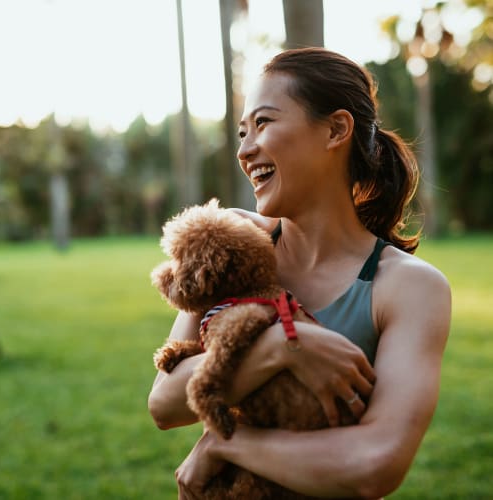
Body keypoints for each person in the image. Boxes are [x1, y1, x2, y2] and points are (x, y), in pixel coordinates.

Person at [148, 47, 451, 499]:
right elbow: (165, 403)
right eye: (242, 131)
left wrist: (226, 444)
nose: (244, 149)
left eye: (264, 123)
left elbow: (376, 463)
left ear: (335, 129)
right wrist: (282, 345)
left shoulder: (409, 287)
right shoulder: (232, 241)